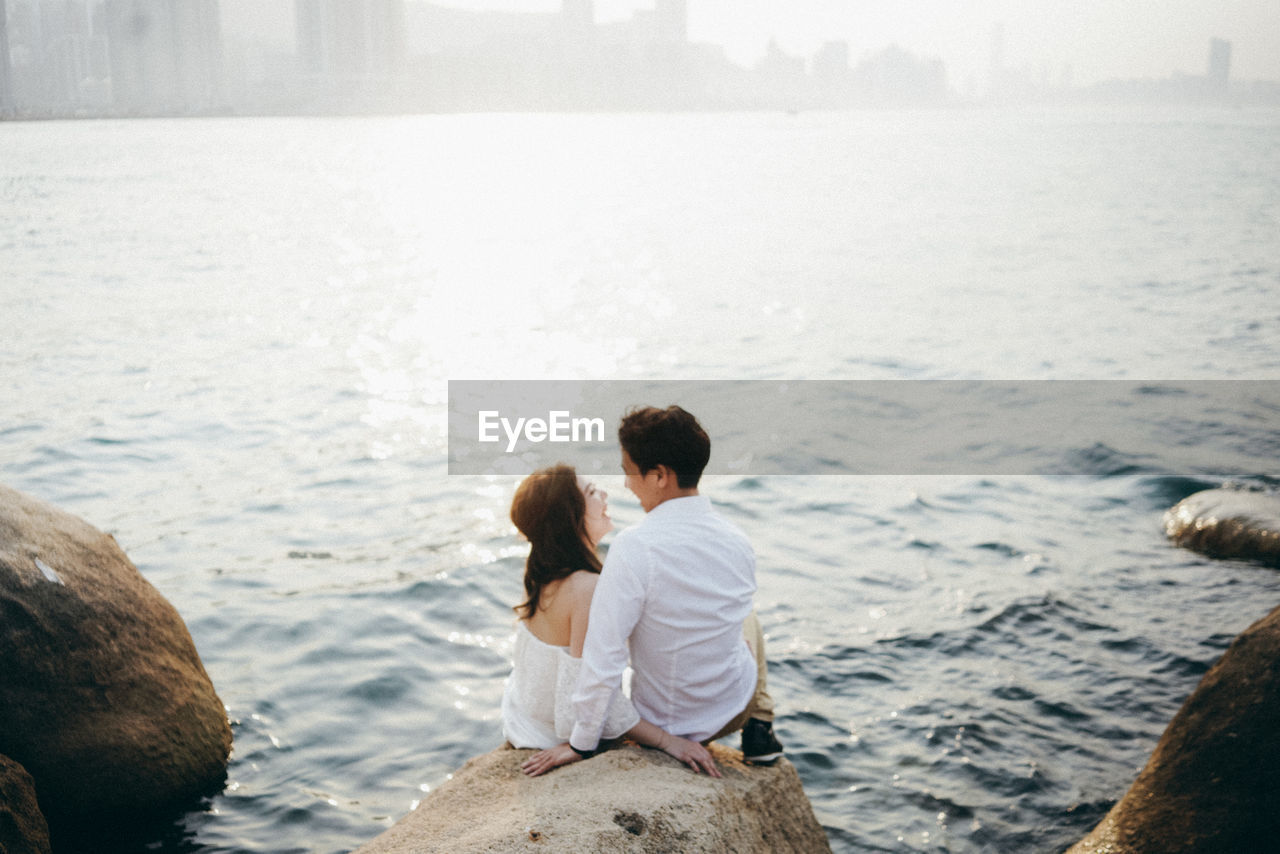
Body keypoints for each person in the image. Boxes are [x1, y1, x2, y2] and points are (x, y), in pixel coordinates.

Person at [550, 406, 783, 775]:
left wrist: (582, 742)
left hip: (667, 724)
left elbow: (604, 654)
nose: (626, 484)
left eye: (629, 471)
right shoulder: (738, 540)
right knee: (747, 619)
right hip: (731, 712)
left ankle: (757, 719)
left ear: (659, 476)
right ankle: (760, 725)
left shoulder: (633, 547)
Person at [500, 463, 720, 777]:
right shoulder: (585, 588)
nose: (604, 493)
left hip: (524, 714)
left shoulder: (543, 572)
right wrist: (669, 742)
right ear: (570, 517)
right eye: (591, 492)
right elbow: (592, 695)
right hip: (556, 729)